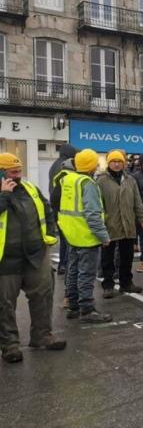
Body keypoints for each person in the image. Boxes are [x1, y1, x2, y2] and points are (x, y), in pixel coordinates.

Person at [0, 153, 65, 363]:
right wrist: (4, 195)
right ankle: (9, 345)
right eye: (13, 172)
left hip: (35, 254)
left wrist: (50, 236)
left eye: (19, 171)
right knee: (4, 304)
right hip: (5, 259)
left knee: (43, 295)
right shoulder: (4, 192)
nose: (18, 175)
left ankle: (42, 336)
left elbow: (46, 210)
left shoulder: (30, 189)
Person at [59, 149, 112, 323]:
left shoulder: (68, 179)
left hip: (71, 233)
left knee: (72, 271)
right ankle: (87, 309)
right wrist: (103, 236)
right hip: (86, 235)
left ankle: (73, 306)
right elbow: (92, 214)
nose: (97, 165)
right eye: (95, 163)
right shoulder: (87, 183)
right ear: (90, 165)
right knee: (86, 274)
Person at [97, 150, 143, 299]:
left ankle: (127, 283)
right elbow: (98, 204)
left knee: (127, 256)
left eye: (120, 161)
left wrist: (142, 219)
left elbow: (137, 201)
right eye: (114, 161)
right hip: (109, 224)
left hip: (128, 223)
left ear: (124, 163)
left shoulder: (130, 180)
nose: (117, 164)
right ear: (108, 163)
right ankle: (108, 285)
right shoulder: (101, 180)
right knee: (108, 258)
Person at [48, 144, 77, 276]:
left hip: (56, 208)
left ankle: (63, 264)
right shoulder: (65, 166)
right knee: (67, 239)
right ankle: (64, 265)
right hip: (64, 208)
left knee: (64, 239)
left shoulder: (54, 164)